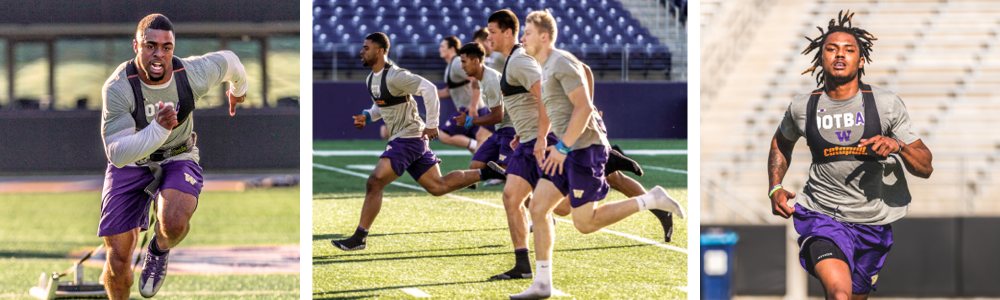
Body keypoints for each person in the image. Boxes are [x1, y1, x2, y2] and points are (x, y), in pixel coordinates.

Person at [510, 10, 686, 299]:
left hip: (584, 151)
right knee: (539, 208)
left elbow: (584, 108)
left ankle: (651, 199)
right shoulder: (545, 66)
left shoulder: (561, 62)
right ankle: (542, 283)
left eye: (527, 32)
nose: (522, 38)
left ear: (544, 36)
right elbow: (559, 109)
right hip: (565, 151)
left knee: (584, 223)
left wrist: (563, 147)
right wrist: (542, 139)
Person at [768, 11, 933, 300]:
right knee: (840, 295)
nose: (839, 55)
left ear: (862, 60)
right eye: (831, 49)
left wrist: (898, 146)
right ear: (820, 59)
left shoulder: (885, 104)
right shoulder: (802, 107)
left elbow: (926, 166)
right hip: (822, 215)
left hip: (872, 223)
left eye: (849, 49)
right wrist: (775, 186)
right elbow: (781, 143)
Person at [99, 14, 248, 299]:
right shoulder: (119, 86)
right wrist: (157, 129)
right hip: (132, 162)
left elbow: (231, 61)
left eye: (166, 47)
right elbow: (117, 154)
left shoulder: (190, 73)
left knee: (174, 222)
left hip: (179, 155)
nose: (159, 54)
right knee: (118, 259)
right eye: (150, 45)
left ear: (173, 47)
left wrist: (238, 91)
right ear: (136, 46)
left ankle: (159, 249)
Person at [330, 32, 508, 252]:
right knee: (438, 186)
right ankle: (488, 173)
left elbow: (429, 89)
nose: (361, 51)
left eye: (366, 48)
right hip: (411, 139)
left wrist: (432, 124)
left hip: (409, 137)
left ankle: (359, 238)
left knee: (374, 182)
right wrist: (367, 116)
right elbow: (382, 104)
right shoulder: (371, 79)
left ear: (380, 51)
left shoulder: (396, 75)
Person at [437, 36, 492, 154]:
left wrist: (473, 105)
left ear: (451, 48)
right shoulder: (451, 65)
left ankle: (480, 146)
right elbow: (447, 92)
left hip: (470, 111)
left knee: (444, 135)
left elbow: (476, 78)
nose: (439, 49)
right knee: (476, 149)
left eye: (442, 46)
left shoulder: (457, 63)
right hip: (473, 110)